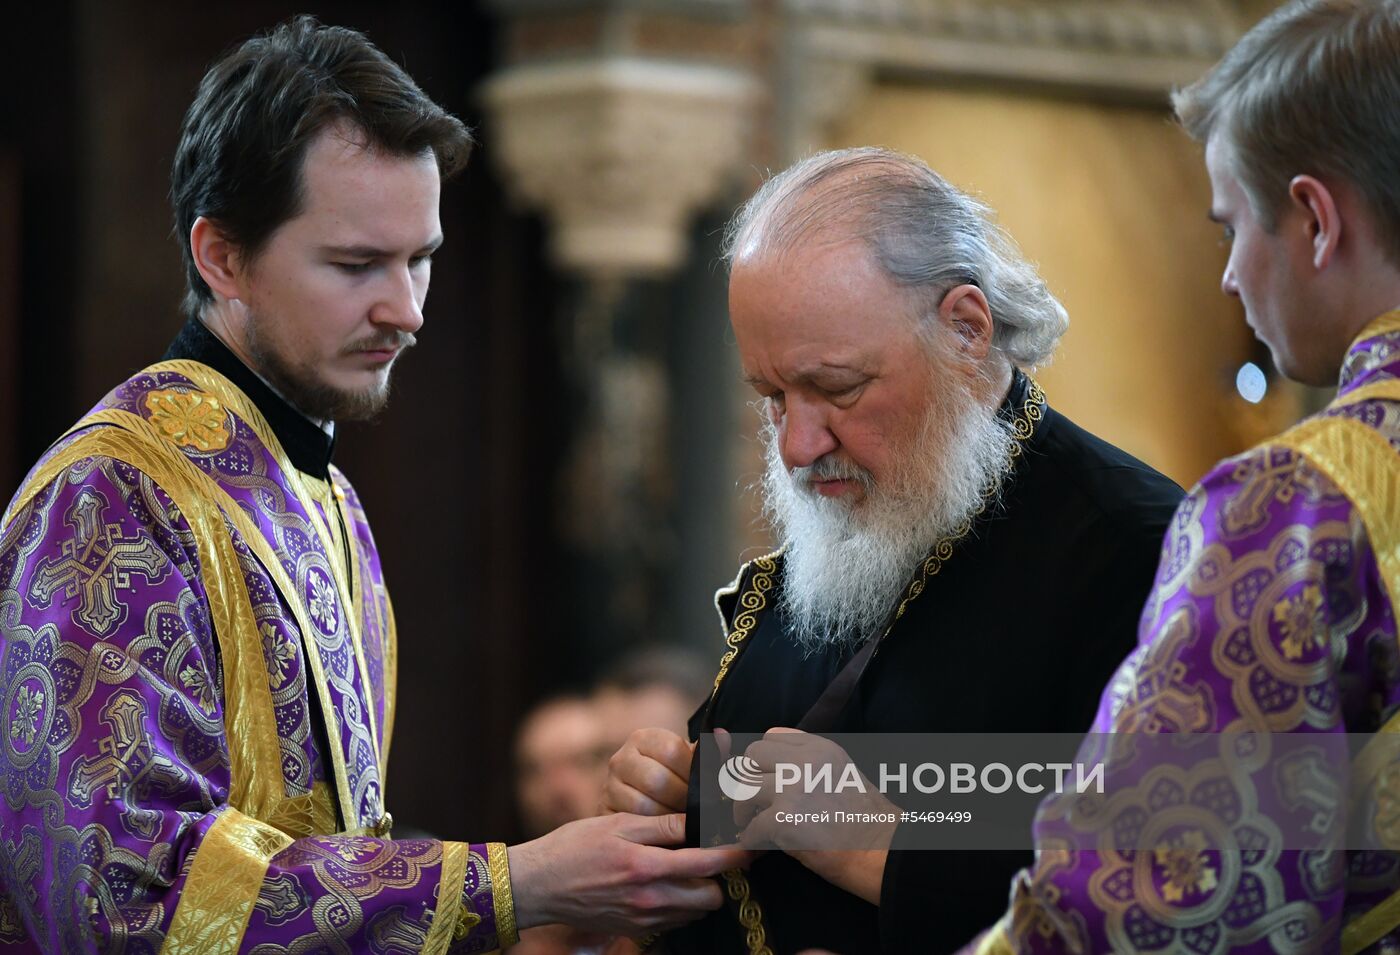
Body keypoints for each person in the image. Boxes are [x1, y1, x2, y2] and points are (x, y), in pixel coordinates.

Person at [0, 17, 742, 953]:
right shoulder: (111, 496)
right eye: (356, 265)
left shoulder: (326, 497)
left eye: (421, 258)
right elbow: (123, 898)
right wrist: (517, 882)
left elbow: (334, 844)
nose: (407, 310)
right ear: (221, 256)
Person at [604, 147, 1185, 953]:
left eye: (837, 387)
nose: (799, 445)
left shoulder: (1148, 550)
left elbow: (1179, 888)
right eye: (772, 396)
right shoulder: (865, 520)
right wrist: (670, 796)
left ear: (966, 331)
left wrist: (880, 848)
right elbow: (767, 794)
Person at [953, 2, 1400, 952]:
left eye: (1232, 225)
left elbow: (1147, 902)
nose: (1232, 276)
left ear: (1316, 220)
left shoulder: (1298, 505)